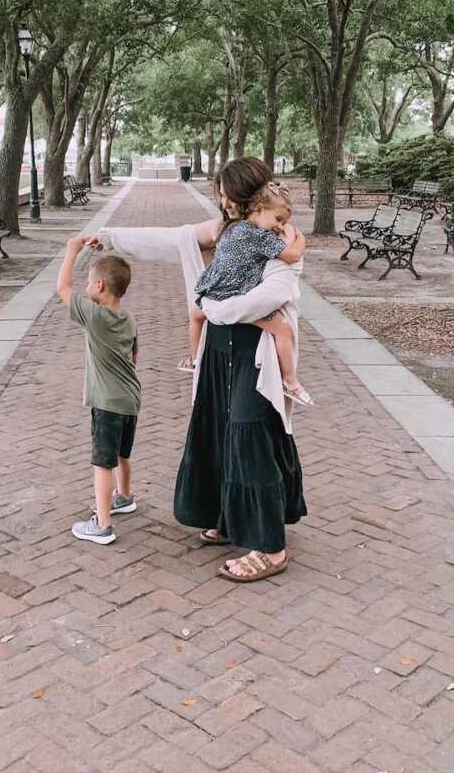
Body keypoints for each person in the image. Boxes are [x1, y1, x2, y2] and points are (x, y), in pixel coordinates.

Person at [88, 156, 306, 583]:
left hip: (253, 353)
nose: (222, 200)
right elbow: (170, 239)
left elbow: (271, 297)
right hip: (218, 351)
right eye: (220, 193)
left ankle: (271, 546)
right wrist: (108, 237)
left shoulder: (279, 238)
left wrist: (211, 307)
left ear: (250, 195)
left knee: (250, 431)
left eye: (229, 193)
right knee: (220, 429)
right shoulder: (224, 230)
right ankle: (227, 515)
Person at [181, 182, 313, 406]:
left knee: (195, 315)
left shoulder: (234, 228)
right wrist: (301, 236)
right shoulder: (260, 236)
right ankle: (290, 382)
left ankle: (194, 360)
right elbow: (292, 256)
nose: (280, 227)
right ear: (260, 208)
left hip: (210, 292)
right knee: (284, 330)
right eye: (278, 219)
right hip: (232, 298)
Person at [56, 236, 141, 545]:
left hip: (107, 403)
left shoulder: (95, 317)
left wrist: (71, 250)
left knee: (101, 462)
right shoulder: (128, 320)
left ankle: (103, 524)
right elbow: (134, 356)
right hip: (130, 399)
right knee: (122, 454)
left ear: (101, 286)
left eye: (90, 282)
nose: (87, 287)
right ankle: (124, 497)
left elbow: (63, 289)